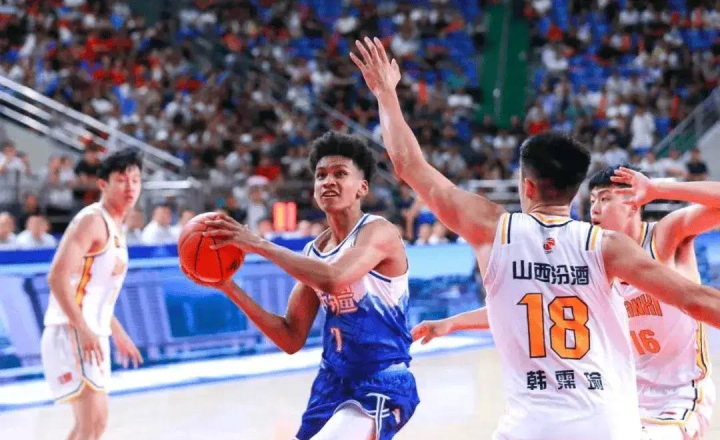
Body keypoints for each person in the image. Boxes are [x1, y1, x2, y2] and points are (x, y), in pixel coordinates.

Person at [350, 36, 720, 440]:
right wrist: (454, 323)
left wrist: (386, 93)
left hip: (533, 426)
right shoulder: (607, 247)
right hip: (608, 424)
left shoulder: (492, 230)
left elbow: (408, 164)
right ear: (576, 193)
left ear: (526, 186)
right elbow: (694, 299)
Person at [186, 131, 419, 440]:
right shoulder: (314, 251)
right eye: (321, 175)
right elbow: (290, 337)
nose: (328, 181)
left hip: (382, 381)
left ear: (362, 188)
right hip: (331, 385)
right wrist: (229, 287)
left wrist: (259, 244)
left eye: (340, 174)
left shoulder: (380, 232)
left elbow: (333, 278)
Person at [588, 166, 718, 440]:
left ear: (633, 203)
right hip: (625, 394)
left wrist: (658, 189)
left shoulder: (664, 236)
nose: (594, 209)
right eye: (592, 201)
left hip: (680, 394)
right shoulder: (596, 256)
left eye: (605, 198)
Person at [41, 149, 144, 440]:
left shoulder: (116, 226)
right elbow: (57, 276)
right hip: (71, 330)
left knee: (93, 426)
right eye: (121, 180)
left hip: (91, 331)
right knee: (91, 424)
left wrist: (118, 334)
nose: (130, 187)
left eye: (135, 180)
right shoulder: (92, 220)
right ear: (103, 185)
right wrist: (83, 329)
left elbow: (95, 292)